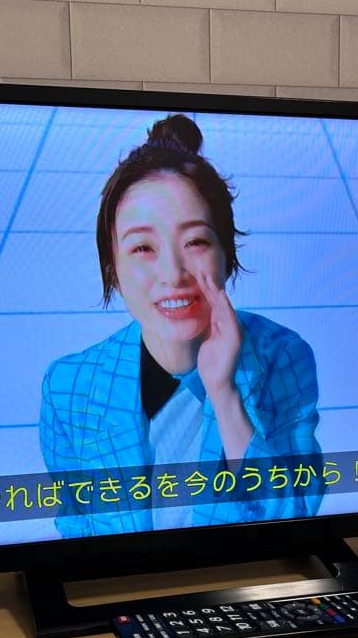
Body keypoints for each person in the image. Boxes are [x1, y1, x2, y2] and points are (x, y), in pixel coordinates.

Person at [39, 113, 322, 537]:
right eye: (143, 247)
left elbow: (295, 518)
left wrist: (225, 395)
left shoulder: (283, 357)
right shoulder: (68, 387)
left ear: (226, 251)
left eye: (195, 241)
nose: (173, 273)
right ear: (113, 267)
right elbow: (75, 530)